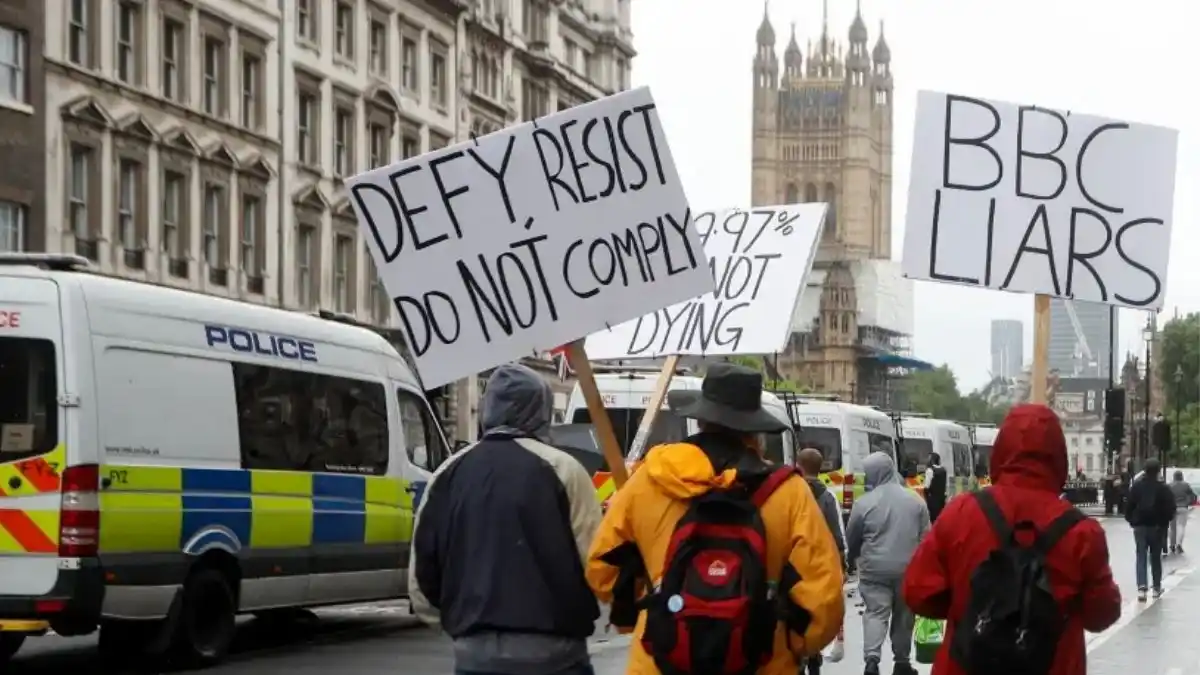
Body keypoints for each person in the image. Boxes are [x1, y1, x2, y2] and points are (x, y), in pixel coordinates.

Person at [586, 363, 844, 675]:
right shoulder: (790, 493)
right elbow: (823, 599)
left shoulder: (649, 480)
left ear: (700, 419)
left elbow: (604, 571)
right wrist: (789, 642)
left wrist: (657, 606)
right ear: (756, 431)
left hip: (658, 662)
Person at [409, 363, 603, 675]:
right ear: (541, 410)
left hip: (475, 652)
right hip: (556, 653)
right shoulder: (564, 469)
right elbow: (597, 564)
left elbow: (423, 572)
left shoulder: (448, 473)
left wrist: (457, 624)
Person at [901, 404, 1121, 675]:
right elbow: (1102, 614)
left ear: (1001, 451)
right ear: (1058, 457)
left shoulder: (961, 513)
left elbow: (918, 593)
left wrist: (974, 607)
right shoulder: (1082, 532)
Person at [846, 451, 928, 675]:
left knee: (875, 613)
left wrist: (849, 562)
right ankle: (902, 662)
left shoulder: (863, 504)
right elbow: (926, 539)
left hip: (874, 570)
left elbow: (852, 538)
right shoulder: (915, 501)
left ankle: (872, 660)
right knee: (904, 616)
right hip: (907, 569)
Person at [797, 447, 847, 674]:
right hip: (819, 568)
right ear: (820, 469)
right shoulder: (828, 498)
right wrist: (842, 566)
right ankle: (814, 660)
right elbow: (838, 536)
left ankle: (798, 659)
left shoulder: (791, 494)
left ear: (798, 465)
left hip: (795, 567)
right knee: (815, 616)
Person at [1125, 458, 1176, 599]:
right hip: (1157, 526)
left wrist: (1131, 520)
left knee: (1141, 555)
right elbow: (1171, 508)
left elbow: (1129, 506)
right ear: (1158, 470)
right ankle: (1156, 587)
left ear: (1144, 470)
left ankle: (1142, 586)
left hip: (1140, 526)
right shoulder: (1163, 488)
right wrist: (1164, 522)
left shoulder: (1136, 487)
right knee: (1155, 557)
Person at [1169, 470, 1197, 554]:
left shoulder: (1170, 485)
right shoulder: (1186, 485)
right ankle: (1179, 544)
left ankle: (1172, 544)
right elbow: (1192, 496)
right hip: (1183, 507)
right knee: (1181, 526)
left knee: (1172, 528)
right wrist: (1190, 502)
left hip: (1172, 508)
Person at [924, 452, 947, 522]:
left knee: (932, 520)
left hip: (932, 501)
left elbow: (927, 486)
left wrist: (927, 497)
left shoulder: (930, 470)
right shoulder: (943, 470)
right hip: (941, 500)